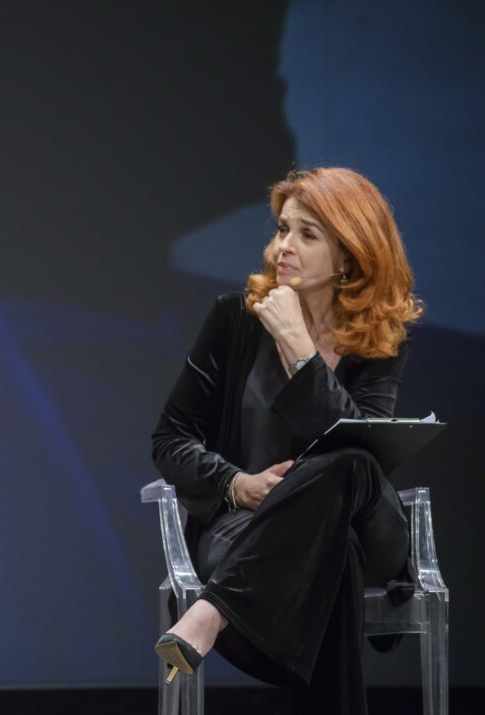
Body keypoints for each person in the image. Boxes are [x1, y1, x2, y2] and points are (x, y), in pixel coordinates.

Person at [151, 167, 423, 713]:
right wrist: (237, 484)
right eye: (282, 229)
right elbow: (170, 439)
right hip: (248, 529)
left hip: (365, 527)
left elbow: (367, 457)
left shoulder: (379, 339)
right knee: (335, 554)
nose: (283, 247)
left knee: (350, 462)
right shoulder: (235, 319)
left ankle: (211, 611)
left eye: (307, 234)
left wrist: (301, 350)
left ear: (348, 258)